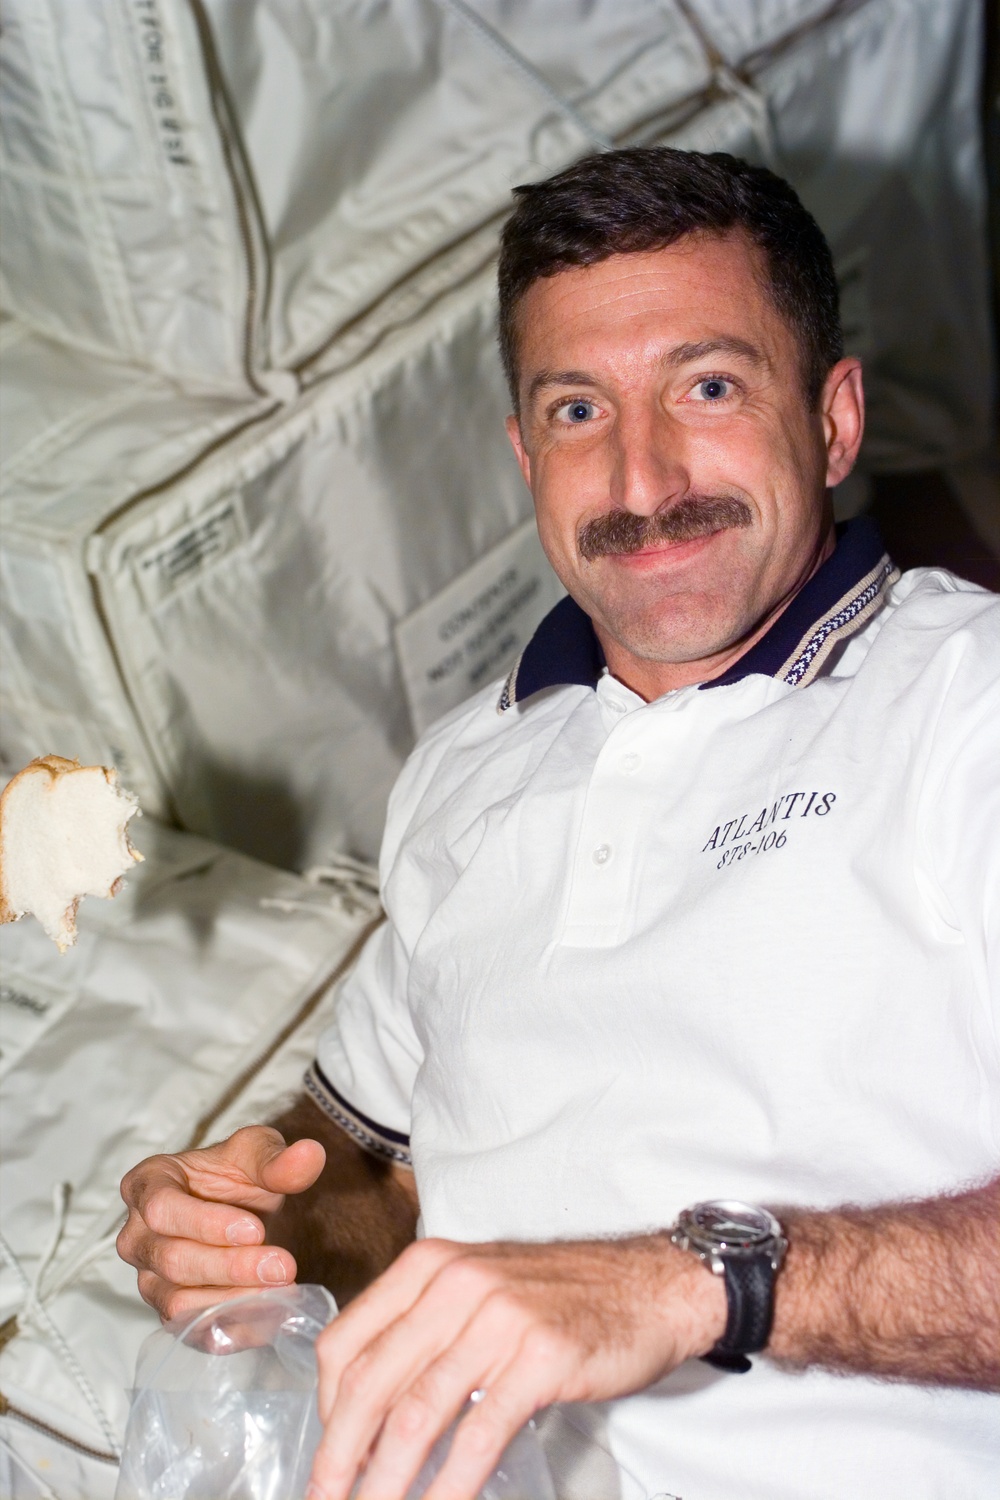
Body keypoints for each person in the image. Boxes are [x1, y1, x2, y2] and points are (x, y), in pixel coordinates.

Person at [117, 149, 1000, 1500]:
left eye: (708, 387)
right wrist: (262, 1228)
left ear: (832, 419)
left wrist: (696, 1286)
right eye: (580, 408)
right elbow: (372, 1165)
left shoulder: (962, 703)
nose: (642, 477)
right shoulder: (467, 775)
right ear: (526, 453)